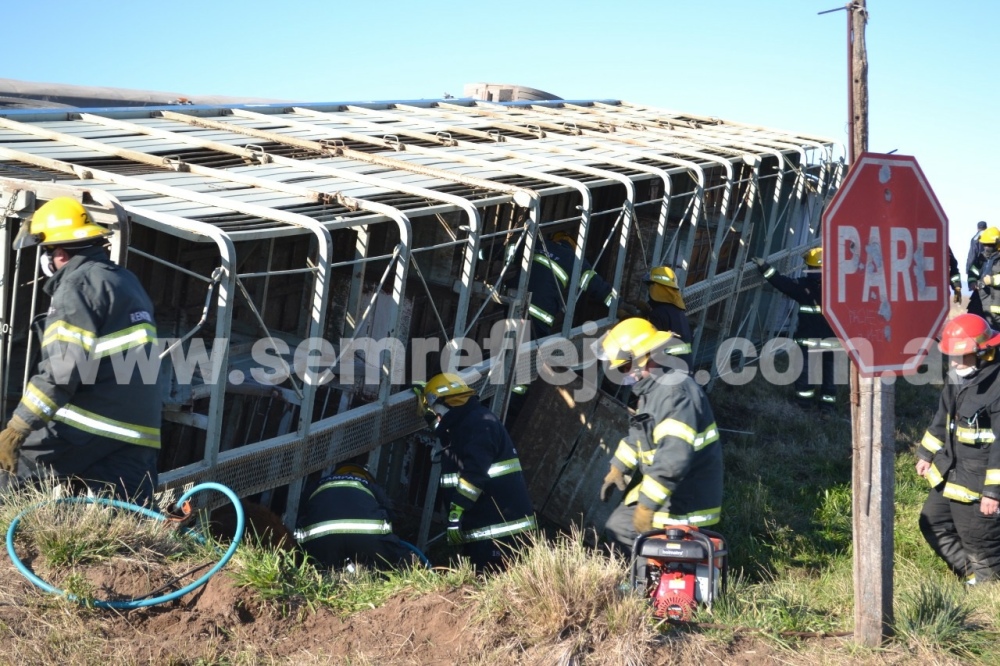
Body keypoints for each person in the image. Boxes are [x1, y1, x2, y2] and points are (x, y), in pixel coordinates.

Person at [0, 198, 161, 505]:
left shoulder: (78, 284)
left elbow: (62, 370)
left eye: (44, 250)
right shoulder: (125, 281)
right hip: (139, 429)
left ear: (59, 253)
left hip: (89, 423)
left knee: (7, 476)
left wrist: (18, 427)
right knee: (127, 524)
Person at [595, 318, 723, 551]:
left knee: (622, 530)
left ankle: (644, 583)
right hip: (676, 491)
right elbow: (638, 438)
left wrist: (646, 506)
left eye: (624, 366)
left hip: (688, 503)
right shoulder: (654, 388)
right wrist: (618, 468)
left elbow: (673, 460)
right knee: (618, 526)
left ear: (643, 358)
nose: (625, 374)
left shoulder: (673, 393)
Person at [915, 313, 1000, 584]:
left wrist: (993, 492)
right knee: (933, 522)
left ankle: (990, 593)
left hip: (980, 482)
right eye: (951, 356)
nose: (954, 362)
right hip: (952, 471)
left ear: (984, 353)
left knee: (981, 542)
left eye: (960, 356)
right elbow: (943, 417)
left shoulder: (996, 387)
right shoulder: (958, 377)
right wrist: (926, 453)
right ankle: (973, 576)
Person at [421, 372, 536, 572]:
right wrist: (427, 412)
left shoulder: (480, 423)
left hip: (501, 534)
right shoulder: (466, 421)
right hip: (487, 530)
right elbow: (445, 430)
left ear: (446, 403)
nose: (436, 415)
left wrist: (457, 511)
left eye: (435, 409)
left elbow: (474, 474)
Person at [752, 248, 839, 409]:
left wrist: (764, 266)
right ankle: (826, 409)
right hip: (831, 341)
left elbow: (781, 282)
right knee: (830, 376)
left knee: (807, 374)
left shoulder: (803, 286)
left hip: (808, 341)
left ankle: (804, 405)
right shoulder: (839, 288)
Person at [295, 462, 412, 571]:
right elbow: (391, 514)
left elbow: (300, 514)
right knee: (396, 562)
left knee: (321, 570)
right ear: (365, 477)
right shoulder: (369, 485)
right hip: (368, 538)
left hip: (322, 539)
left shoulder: (318, 484)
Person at [527, 231, 617, 338]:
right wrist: (617, 304)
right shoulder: (573, 258)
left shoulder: (539, 245)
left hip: (516, 304)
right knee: (531, 350)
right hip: (540, 313)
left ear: (555, 239)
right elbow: (595, 284)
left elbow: (509, 252)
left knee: (508, 346)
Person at [644, 265, 693, 370]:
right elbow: (684, 346)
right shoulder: (679, 313)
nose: (649, 291)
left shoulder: (658, 314)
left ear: (656, 288)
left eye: (650, 287)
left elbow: (650, 347)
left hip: (667, 374)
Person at [967, 227, 998, 319]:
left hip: (995, 302)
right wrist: (972, 282)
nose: (987, 247)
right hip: (979, 299)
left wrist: (992, 280)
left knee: (994, 330)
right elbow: (973, 271)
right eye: (985, 244)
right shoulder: (981, 257)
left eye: (990, 244)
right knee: (972, 324)